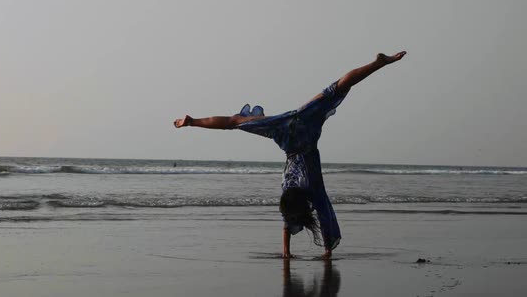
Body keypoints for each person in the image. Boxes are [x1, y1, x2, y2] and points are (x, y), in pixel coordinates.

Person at [174, 51, 407, 259]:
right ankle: (378, 64)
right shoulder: (289, 188)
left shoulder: (304, 190)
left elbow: (313, 214)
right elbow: (302, 216)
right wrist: (322, 251)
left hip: (296, 129)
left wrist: (297, 252)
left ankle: (192, 121)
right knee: (335, 88)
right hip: (292, 123)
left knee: (235, 122)